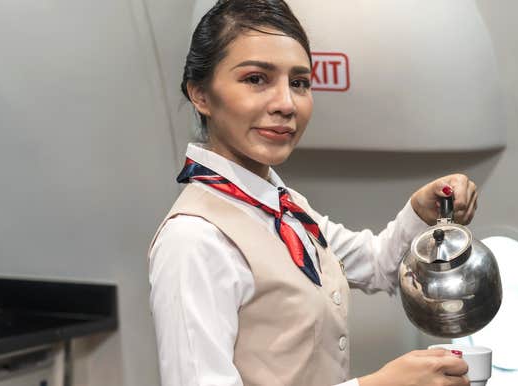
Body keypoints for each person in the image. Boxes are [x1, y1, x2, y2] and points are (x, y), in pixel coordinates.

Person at [148, 1, 479, 385]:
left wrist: (421, 211)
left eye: (299, 83)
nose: (286, 104)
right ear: (200, 95)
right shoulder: (194, 240)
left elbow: (375, 265)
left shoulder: (282, 205)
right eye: (256, 79)